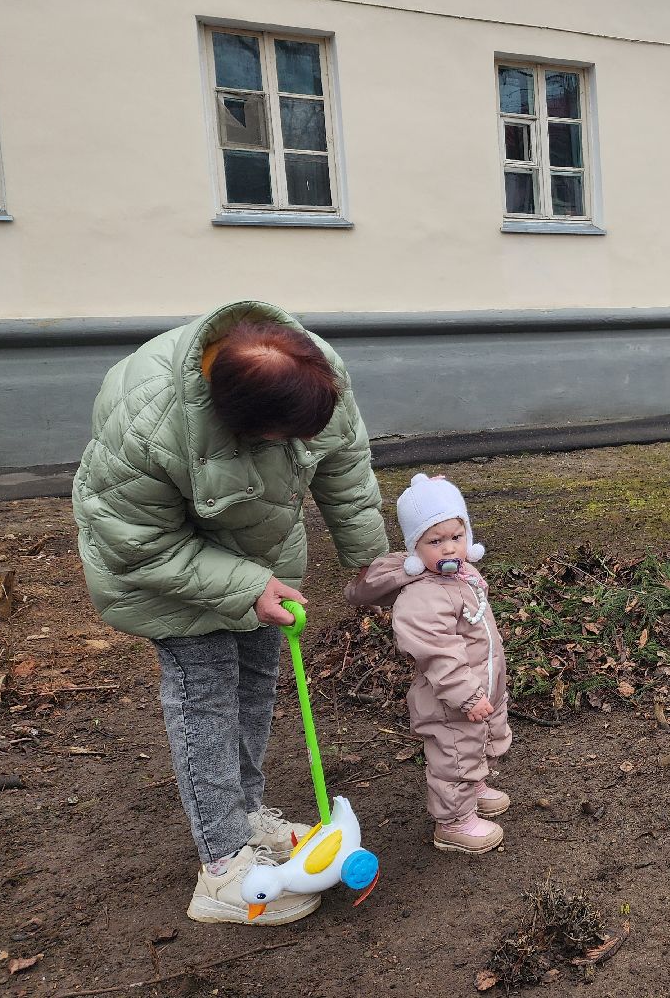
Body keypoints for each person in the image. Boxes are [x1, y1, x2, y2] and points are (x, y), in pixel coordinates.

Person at [72, 301, 389, 925]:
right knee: (206, 703)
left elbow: (344, 459)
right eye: (282, 440)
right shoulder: (148, 426)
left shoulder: (313, 373)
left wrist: (369, 560)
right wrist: (245, 585)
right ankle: (222, 872)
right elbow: (134, 542)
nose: (299, 446)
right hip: (162, 570)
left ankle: (244, 817)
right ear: (238, 424)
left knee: (254, 685)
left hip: (257, 552)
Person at [345, 473, 512, 855]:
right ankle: (453, 823)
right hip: (449, 697)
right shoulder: (423, 595)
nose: (449, 548)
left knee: (478, 743)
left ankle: (473, 790)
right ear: (414, 548)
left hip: (480, 685)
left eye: (456, 536)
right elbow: (437, 650)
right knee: (454, 755)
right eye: (435, 542)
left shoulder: (464, 577)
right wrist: (466, 694)